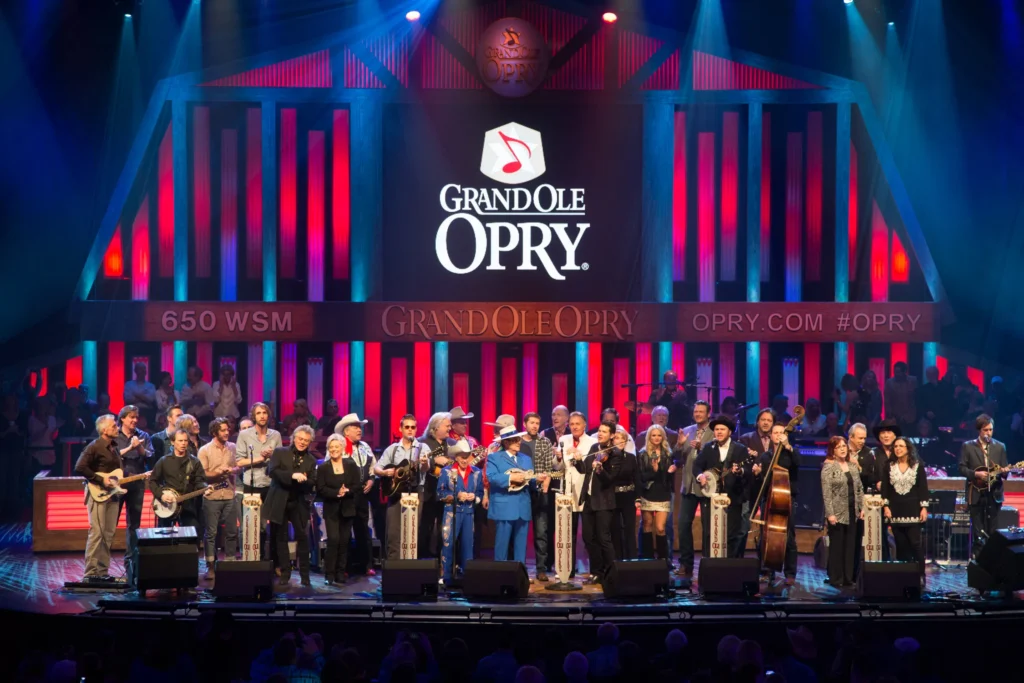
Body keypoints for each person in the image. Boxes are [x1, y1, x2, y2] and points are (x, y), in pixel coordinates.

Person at [75, 415, 133, 581]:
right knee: (97, 532)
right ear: (104, 430)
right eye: (114, 426)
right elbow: (79, 467)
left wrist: (139, 476)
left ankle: (102, 572)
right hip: (97, 493)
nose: (117, 428)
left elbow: (116, 473)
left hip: (112, 494)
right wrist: (101, 479)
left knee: (108, 533)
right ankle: (90, 573)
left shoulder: (113, 447)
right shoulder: (94, 446)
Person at [375, 414, 434, 560]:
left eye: (413, 427)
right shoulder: (393, 449)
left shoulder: (423, 447)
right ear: (400, 428)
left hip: (415, 492)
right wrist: (385, 472)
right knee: (394, 532)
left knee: (412, 531)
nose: (410, 430)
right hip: (395, 493)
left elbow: (426, 469)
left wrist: (424, 463)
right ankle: (393, 565)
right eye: (406, 427)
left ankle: (409, 565)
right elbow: (376, 468)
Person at [266, 425, 318, 587]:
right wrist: (292, 475)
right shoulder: (280, 452)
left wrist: (304, 480)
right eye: (300, 439)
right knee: (280, 538)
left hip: (299, 502)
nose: (302, 443)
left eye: (306, 441)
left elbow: (313, 482)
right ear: (294, 438)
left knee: (302, 537)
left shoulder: (310, 460)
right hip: (280, 500)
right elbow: (272, 471)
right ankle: (285, 573)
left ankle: (305, 576)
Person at [750, 422, 801, 583]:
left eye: (781, 432)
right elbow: (764, 481)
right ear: (771, 436)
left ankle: (790, 573)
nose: (778, 435)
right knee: (767, 536)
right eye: (775, 432)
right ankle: (767, 570)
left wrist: (788, 446)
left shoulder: (791, 453)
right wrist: (758, 474)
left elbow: (798, 462)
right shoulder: (765, 456)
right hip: (768, 499)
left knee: (789, 537)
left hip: (786, 499)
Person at [487, 425, 546, 565]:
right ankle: (500, 573)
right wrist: (510, 479)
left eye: (519, 439)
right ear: (506, 442)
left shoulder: (525, 459)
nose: (519, 442)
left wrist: (537, 481)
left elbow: (530, 481)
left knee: (521, 545)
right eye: (515, 440)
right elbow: (491, 477)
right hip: (504, 506)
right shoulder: (494, 458)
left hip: (522, 506)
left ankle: (521, 574)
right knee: (502, 544)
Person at [694, 415, 750, 558]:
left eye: (722, 429)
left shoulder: (740, 449)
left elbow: (748, 470)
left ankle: (730, 567)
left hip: (733, 498)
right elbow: (697, 466)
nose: (718, 432)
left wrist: (740, 471)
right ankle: (708, 566)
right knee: (708, 533)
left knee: (731, 534)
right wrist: (700, 476)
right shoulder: (708, 448)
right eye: (716, 429)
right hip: (711, 498)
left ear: (730, 432)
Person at [234, 402, 283, 564]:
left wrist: (272, 456)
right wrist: (261, 458)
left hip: (271, 485)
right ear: (253, 416)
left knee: (274, 524)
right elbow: (239, 462)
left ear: (268, 416)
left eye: (264, 413)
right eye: (259, 413)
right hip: (252, 485)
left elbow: (281, 460)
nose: (262, 416)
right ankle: (256, 560)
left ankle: (275, 561)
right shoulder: (245, 435)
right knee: (254, 525)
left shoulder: (275, 435)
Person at [573, 420, 621, 584]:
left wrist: (600, 469)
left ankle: (611, 572)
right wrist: (578, 460)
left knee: (603, 538)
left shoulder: (615, 454)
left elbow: (610, 480)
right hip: (589, 500)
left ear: (612, 435)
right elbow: (584, 470)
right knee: (588, 538)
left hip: (604, 502)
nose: (600, 434)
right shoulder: (594, 449)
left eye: (604, 431)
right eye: (599, 431)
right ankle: (596, 572)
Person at [958, 413, 1009, 558]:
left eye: (990, 430)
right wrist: (977, 475)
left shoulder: (1000, 447)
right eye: (985, 430)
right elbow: (961, 468)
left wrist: (1005, 471)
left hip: (994, 494)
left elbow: (1004, 471)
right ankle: (978, 561)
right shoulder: (968, 446)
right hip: (975, 493)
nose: (988, 433)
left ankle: (992, 562)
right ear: (979, 430)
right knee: (978, 530)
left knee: (993, 530)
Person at [334, 413, 377, 576]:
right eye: (355, 427)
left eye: (360, 427)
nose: (359, 430)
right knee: (345, 531)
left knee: (363, 530)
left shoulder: (365, 446)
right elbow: (328, 466)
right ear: (346, 432)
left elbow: (373, 466)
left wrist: (372, 480)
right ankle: (344, 567)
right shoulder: (338, 445)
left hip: (362, 495)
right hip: (345, 496)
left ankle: (366, 565)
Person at [882, 436, 929, 580]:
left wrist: (924, 508)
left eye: (901, 446)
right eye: (895, 446)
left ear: (908, 448)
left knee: (915, 543)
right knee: (901, 545)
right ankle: (904, 575)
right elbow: (886, 488)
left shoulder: (917, 465)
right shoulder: (889, 466)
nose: (898, 449)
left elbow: (923, 488)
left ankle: (920, 575)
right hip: (895, 510)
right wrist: (886, 506)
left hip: (913, 509)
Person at [316, 433, 360, 585]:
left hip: (348, 508)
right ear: (328, 449)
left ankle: (340, 573)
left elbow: (357, 485)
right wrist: (336, 493)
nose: (334, 449)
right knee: (333, 540)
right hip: (331, 509)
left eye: (337, 446)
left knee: (344, 541)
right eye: (331, 447)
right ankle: (329, 573)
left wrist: (347, 491)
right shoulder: (323, 467)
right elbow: (320, 489)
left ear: (342, 447)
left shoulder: (351, 464)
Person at [437, 441, 484, 585]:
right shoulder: (446, 471)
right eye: (461, 456)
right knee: (448, 545)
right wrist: (457, 495)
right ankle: (446, 576)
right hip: (451, 513)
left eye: (467, 456)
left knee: (467, 546)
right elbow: (440, 493)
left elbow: (480, 493)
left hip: (469, 513)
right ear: (456, 457)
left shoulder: (476, 472)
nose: (464, 459)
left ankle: (467, 577)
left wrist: (474, 498)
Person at [198, 417, 238, 579]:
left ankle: (229, 563)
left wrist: (232, 470)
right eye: (223, 430)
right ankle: (211, 566)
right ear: (215, 432)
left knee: (231, 531)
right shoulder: (205, 450)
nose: (227, 432)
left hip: (229, 495)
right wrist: (218, 473)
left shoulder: (233, 448)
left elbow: (239, 467)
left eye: (227, 429)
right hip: (212, 496)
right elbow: (203, 474)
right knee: (211, 534)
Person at [821, 436, 864, 588]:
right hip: (837, 513)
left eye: (844, 445)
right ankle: (836, 577)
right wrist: (830, 514)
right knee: (837, 546)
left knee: (850, 545)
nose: (843, 448)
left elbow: (859, 488)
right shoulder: (828, 467)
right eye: (839, 446)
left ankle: (848, 577)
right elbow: (826, 493)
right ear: (833, 450)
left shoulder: (852, 466)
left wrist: (861, 508)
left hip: (853, 511)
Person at [556, 412, 595, 578]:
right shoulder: (563, 440)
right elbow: (558, 468)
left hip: (586, 491)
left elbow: (590, 468)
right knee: (567, 534)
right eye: (572, 424)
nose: (574, 427)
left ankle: (595, 570)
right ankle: (568, 570)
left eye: (578, 423)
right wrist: (557, 458)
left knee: (589, 535)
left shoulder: (593, 442)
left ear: (584, 424)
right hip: (567, 491)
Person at [675, 400, 711, 578]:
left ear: (708, 414)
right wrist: (680, 444)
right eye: (696, 411)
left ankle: (707, 563)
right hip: (688, 485)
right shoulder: (687, 431)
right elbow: (677, 457)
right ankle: (685, 563)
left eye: (701, 411)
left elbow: (718, 456)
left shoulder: (715, 431)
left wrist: (702, 447)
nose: (698, 414)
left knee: (707, 527)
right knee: (683, 525)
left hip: (706, 486)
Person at [149, 428, 209, 530]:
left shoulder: (194, 462)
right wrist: (161, 495)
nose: (183, 443)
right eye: (180, 441)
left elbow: (200, 481)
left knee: (192, 536)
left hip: (188, 506)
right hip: (167, 505)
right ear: (173, 442)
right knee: (164, 538)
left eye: (185, 441)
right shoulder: (164, 461)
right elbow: (152, 481)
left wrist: (205, 488)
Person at [113, 405, 152, 561]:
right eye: (131, 417)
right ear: (122, 418)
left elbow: (150, 456)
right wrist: (130, 448)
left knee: (134, 524)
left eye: (137, 417)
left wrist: (140, 448)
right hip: (116, 483)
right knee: (111, 522)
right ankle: (103, 562)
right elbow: (111, 456)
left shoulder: (143, 435)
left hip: (137, 483)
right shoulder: (114, 435)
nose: (135, 420)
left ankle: (131, 560)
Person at [521, 412, 555, 581]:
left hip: (541, 491)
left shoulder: (545, 442)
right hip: (522, 491)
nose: (534, 426)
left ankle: (541, 568)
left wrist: (545, 489)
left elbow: (549, 468)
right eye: (531, 423)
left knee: (541, 531)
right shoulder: (517, 443)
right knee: (520, 531)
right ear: (524, 424)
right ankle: (518, 567)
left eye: (537, 423)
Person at [638, 424, 676, 566]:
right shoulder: (642, 454)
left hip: (663, 493)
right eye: (653, 435)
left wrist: (668, 470)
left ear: (663, 437)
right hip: (648, 492)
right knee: (647, 525)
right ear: (649, 437)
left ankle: (663, 560)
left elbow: (669, 476)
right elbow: (641, 476)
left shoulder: (668, 453)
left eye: (659, 435)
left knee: (660, 527)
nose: (656, 438)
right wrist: (654, 470)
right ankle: (647, 559)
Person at [419, 412, 454, 558]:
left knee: (444, 527)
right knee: (425, 526)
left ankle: (441, 558)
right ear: (436, 427)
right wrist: (434, 462)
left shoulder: (450, 444)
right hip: (427, 492)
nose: (450, 428)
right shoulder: (422, 442)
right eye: (447, 426)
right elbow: (416, 462)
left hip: (445, 492)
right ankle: (422, 557)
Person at [609, 429, 640, 560]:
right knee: (615, 529)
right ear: (612, 440)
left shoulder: (631, 458)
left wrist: (638, 497)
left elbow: (637, 478)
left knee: (629, 528)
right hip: (613, 497)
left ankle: (632, 559)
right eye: (617, 438)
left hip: (628, 496)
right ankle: (617, 559)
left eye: (623, 438)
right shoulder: (608, 458)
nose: (620, 441)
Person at [884, 362, 918, 433]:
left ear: (905, 372)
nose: (896, 374)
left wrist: (910, 415)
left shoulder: (913, 381)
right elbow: (887, 401)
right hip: (895, 418)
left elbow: (916, 399)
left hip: (910, 417)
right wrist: (890, 416)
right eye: (895, 372)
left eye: (898, 372)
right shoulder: (889, 383)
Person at [123, 362, 157, 427]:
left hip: (147, 413)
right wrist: (144, 397)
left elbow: (150, 399)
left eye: (144, 369)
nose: (142, 371)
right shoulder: (128, 384)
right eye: (140, 369)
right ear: (135, 371)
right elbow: (128, 399)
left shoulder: (151, 386)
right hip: (131, 412)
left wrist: (136, 394)